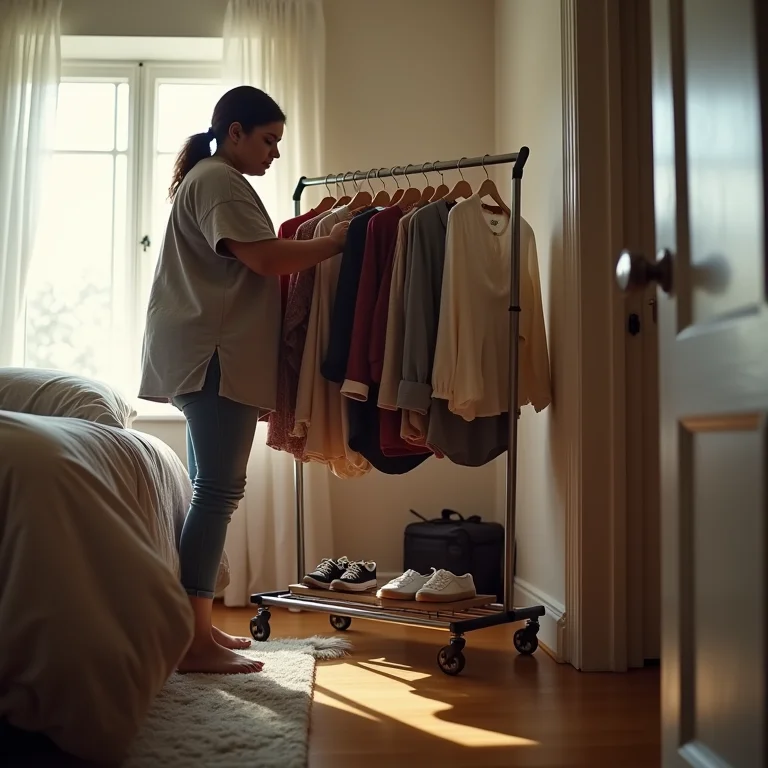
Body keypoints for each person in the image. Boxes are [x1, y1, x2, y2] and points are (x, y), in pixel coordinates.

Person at [138, 85, 349, 674]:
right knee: (218, 491)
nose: (275, 152)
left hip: (205, 354)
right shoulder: (219, 181)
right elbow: (264, 258)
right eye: (269, 139)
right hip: (215, 357)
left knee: (209, 489)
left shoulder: (211, 179)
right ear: (235, 132)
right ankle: (194, 643)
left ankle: (194, 629)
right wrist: (336, 243)